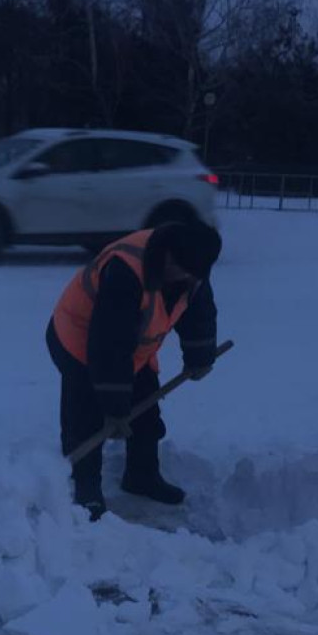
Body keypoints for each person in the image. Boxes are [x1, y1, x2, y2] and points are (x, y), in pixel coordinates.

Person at [46, 222, 222, 520]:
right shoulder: (125, 270)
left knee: (146, 410)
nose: (184, 278)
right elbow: (110, 345)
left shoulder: (193, 268)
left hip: (133, 348)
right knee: (86, 417)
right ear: (167, 255)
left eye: (192, 274)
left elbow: (198, 312)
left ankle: (141, 476)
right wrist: (114, 407)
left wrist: (200, 355)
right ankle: (86, 488)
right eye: (180, 269)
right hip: (78, 339)